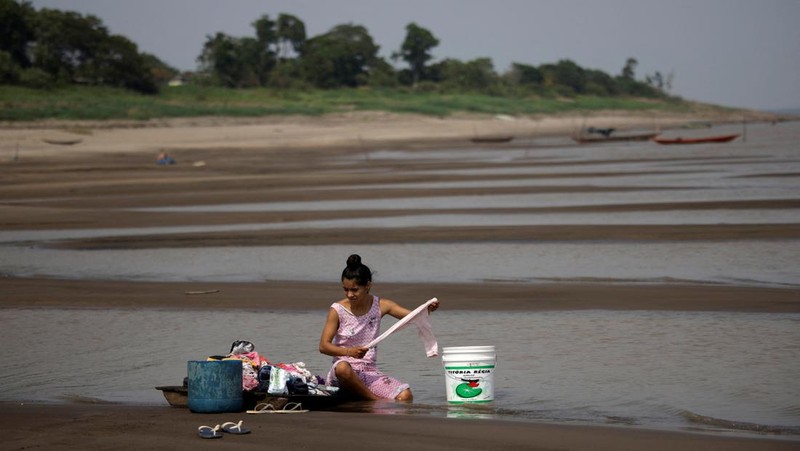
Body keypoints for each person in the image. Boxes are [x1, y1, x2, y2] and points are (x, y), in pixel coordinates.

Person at [319, 254, 439, 401]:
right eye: (346, 290)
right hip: (342, 374)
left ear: (368, 285)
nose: (350, 295)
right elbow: (323, 347)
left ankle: (366, 396)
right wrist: (349, 352)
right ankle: (374, 400)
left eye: (355, 290)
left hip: (369, 372)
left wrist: (429, 308)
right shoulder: (337, 310)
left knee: (405, 396)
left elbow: (413, 316)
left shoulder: (381, 305)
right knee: (343, 367)